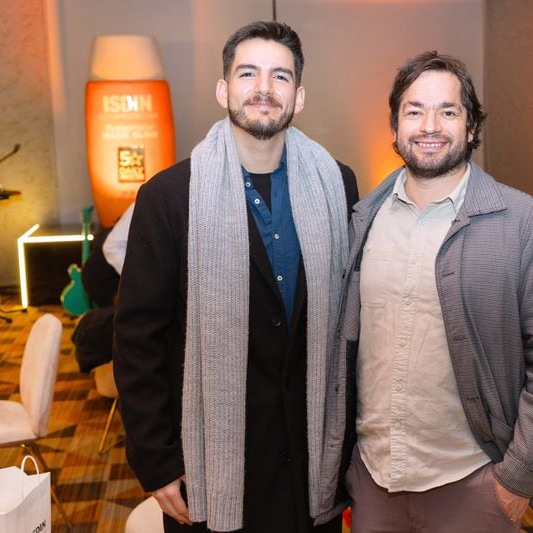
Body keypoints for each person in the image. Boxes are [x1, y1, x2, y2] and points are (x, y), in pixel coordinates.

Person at [316, 52, 533, 532]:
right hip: (375, 482)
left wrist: (519, 477)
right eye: (414, 111)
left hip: (476, 483)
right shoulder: (361, 222)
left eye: (448, 111)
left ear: (472, 126)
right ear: (395, 128)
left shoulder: (524, 224)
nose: (429, 125)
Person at [113, 21, 358, 533]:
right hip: (211, 463)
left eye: (280, 76)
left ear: (300, 96)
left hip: (312, 458)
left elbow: (351, 329)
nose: (264, 88)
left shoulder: (338, 184)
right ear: (224, 89)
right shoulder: (168, 197)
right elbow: (138, 340)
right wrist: (156, 462)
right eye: (248, 73)